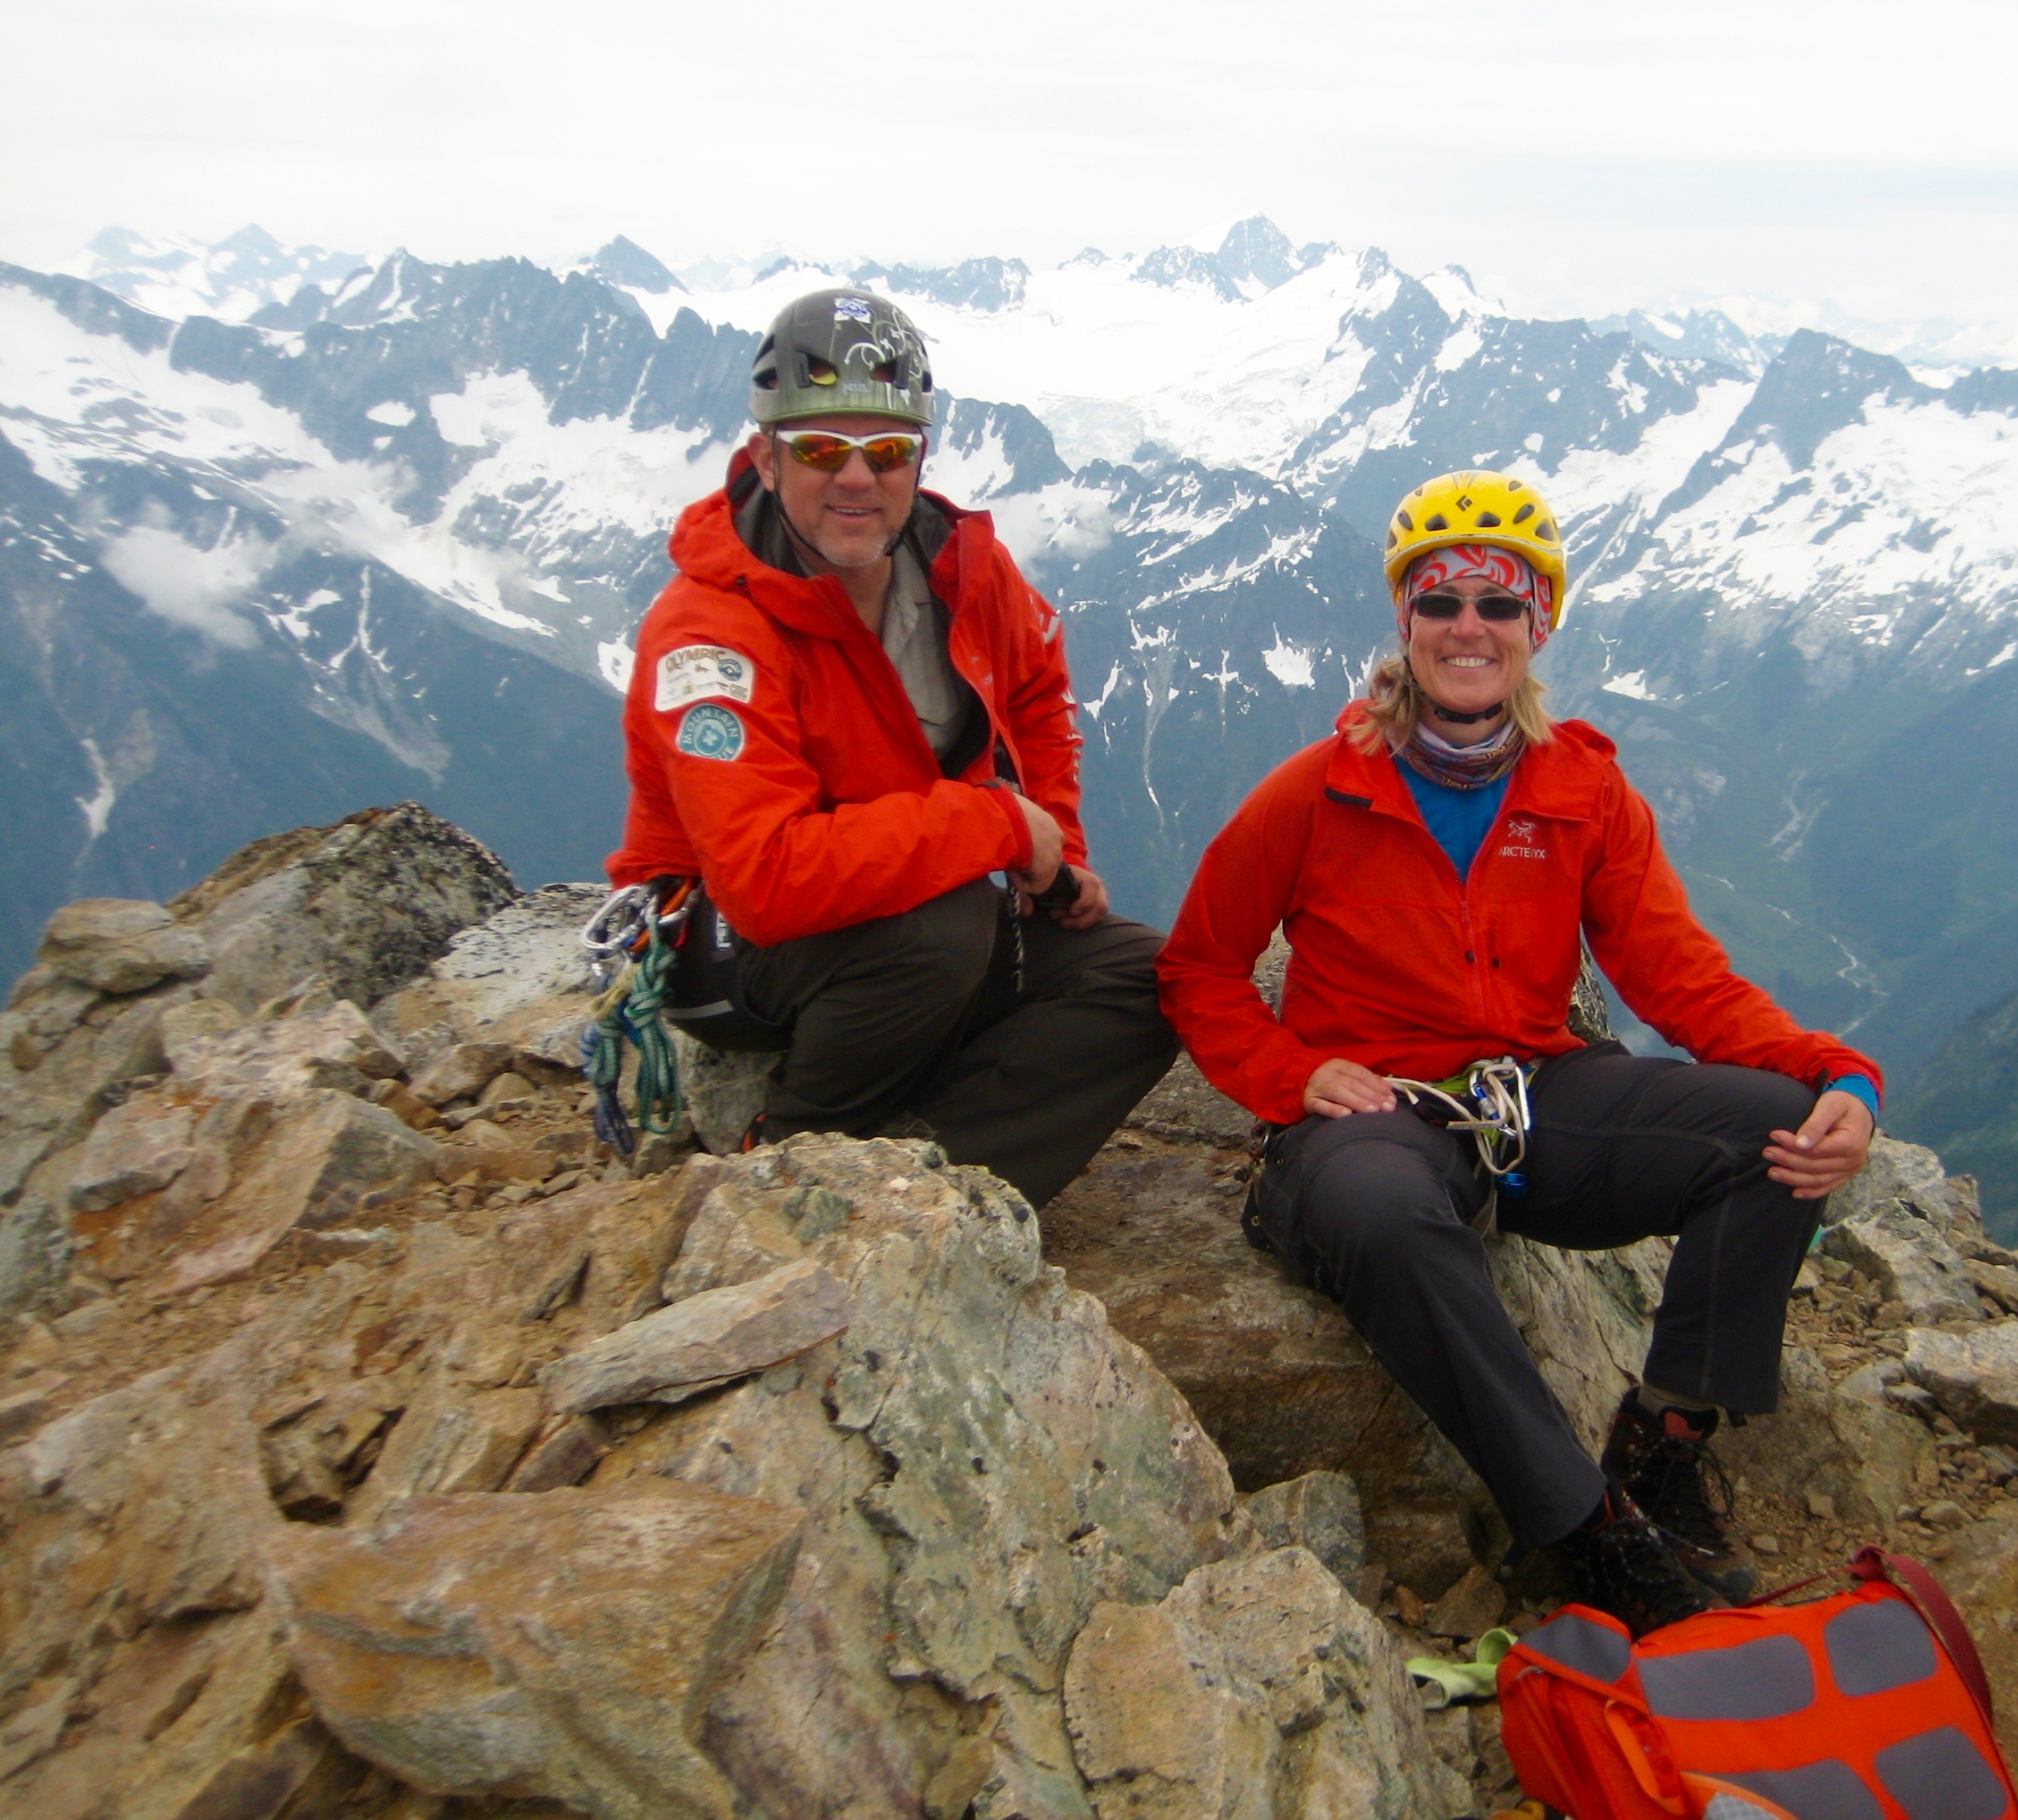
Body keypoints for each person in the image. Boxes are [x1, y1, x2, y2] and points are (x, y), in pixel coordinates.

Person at [1156, 469, 1882, 1636]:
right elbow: (1198, 965)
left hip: (1530, 1098)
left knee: (1769, 1135)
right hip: (1373, 1118)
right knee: (1387, 1214)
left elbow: (1677, 975)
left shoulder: (1580, 790)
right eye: (1439, 598)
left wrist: (1834, 1073)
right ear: (1405, 620)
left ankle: (1664, 1444)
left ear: (1540, 623)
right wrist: (1289, 1079)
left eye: (1501, 602)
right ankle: (1586, 1533)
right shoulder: (1317, 793)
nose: (1468, 626)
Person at [607, 287, 1176, 1210]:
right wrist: (996, 825)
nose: (857, 478)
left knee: (1151, 980)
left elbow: (1032, 686)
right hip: (723, 941)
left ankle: (930, 1185)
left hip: (903, 909)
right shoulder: (710, 634)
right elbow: (764, 880)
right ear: (764, 455)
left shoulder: (961, 565)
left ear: (919, 455)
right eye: (823, 450)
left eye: (888, 451)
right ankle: (791, 1162)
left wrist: (1054, 858)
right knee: (941, 928)